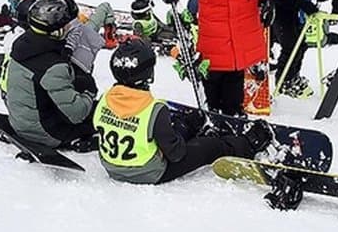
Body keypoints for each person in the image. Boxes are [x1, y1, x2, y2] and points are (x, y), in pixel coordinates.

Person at [93, 38, 272, 184]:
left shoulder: (104, 100)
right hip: (148, 172)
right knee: (209, 146)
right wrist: (190, 136)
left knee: (169, 130)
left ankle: (189, 124)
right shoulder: (154, 109)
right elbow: (176, 154)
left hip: (112, 167)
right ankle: (249, 143)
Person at [4, 0, 98, 149]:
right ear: (57, 30)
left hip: (20, 121)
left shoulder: (24, 44)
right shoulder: (53, 65)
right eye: (67, 25)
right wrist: (89, 89)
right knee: (100, 112)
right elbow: (76, 113)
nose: (69, 28)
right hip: (45, 133)